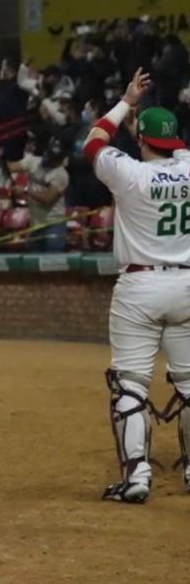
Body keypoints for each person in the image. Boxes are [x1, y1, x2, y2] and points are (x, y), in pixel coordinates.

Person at [83, 68, 190, 503]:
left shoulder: (127, 173)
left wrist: (127, 102)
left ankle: (137, 477)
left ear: (140, 140)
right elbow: (174, 149)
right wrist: (150, 131)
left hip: (140, 287)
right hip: (187, 284)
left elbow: (93, 140)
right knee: (189, 383)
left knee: (130, 384)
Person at [8, 137, 70, 252]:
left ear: (60, 161)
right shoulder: (33, 162)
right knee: (34, 263)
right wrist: (0, 159)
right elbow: (11, 167)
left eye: (53, 159)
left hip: (53, 224)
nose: (48, 159)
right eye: (48, 155)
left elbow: (48, 199)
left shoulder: (61, 174)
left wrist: (26, 190)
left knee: (53, 262)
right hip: (35, 224)